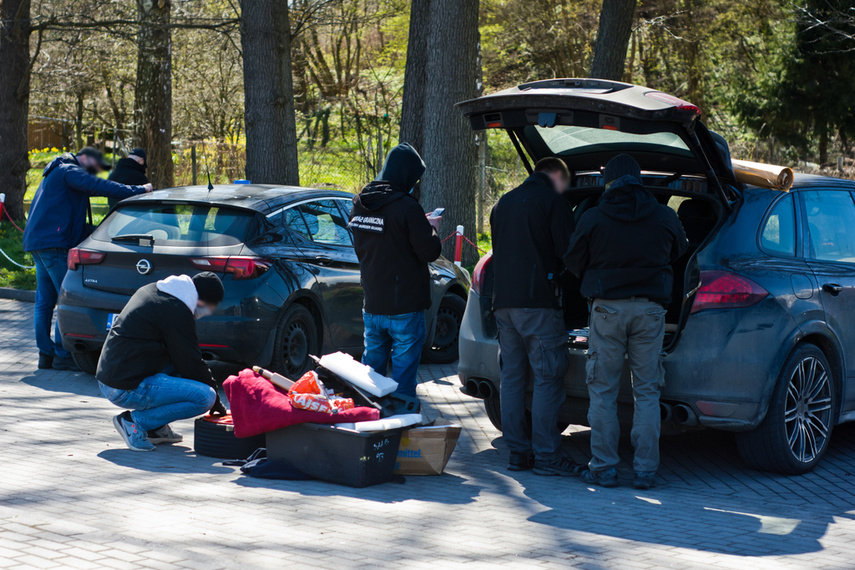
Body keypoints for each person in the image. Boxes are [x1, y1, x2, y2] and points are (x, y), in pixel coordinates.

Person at [564, 154, 688, 490]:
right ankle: (646, 471)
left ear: (609, 181)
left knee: (603, 391)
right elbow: (680, 252)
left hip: (607, 311)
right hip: (650, 312)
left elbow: (573, 260)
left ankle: (603, 468)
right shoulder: (664, 216)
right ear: (638, 179)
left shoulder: (593, 217)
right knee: (647, 391)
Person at [22, 147, 153, 371]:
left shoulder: (55, 171)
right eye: (93, 166)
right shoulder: (69, 170)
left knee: (44, 301)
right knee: (66, 299)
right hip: (55, 244)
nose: (94, 171)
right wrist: (138, 189)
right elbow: (99, 185)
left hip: (38, 242)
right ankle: (63, 354)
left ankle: (46, 355)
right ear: (87, 159)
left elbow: (93, 189)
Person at [490, 157, 577, 476]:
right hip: (538, 304)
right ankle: (547, 455)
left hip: (503, 304)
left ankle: (517, 452)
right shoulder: (553, 202)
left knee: (512, 377)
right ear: (556, 175)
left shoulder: (503, 203)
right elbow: (569, 252)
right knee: (547, 376)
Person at [349, 143, 442, 399]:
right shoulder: (407, 207)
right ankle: (400, 429)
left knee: (370, 380)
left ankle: (369, 423)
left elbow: (374, 242)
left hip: (373, 304)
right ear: (407, 175)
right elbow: (429, 251)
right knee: (402, 383)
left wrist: (414, 224)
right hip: (404, 308)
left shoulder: (360, 202)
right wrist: (430, 226)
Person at [96, 272, 227, 452]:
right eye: (210, 306)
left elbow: (182, 358)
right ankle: (134, 423)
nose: (207, 312)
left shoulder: (155, 290)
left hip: (112, 376)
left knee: (178, 369)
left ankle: (155, 429)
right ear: (201, 299)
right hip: (123, 387)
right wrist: (216, 400)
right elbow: (190, 361)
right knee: (205, 397)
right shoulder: (176, 311)